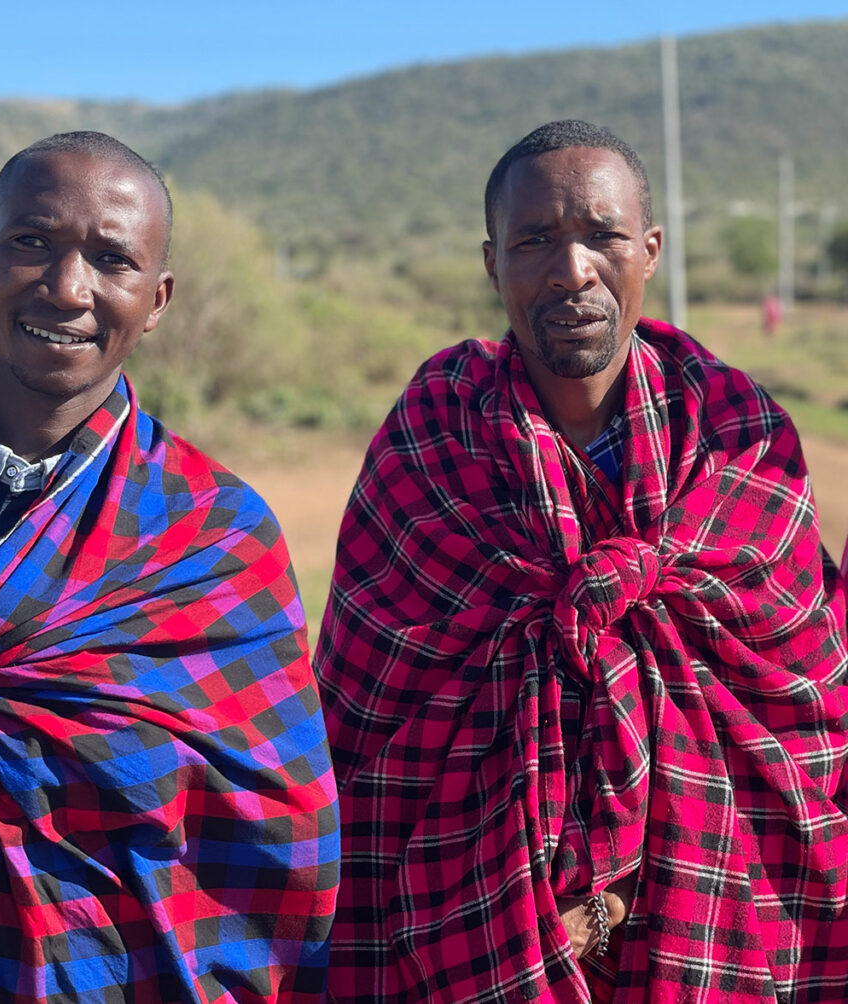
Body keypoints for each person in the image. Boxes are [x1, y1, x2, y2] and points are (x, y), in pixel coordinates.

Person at [314, 120, 848, 1002]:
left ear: (649, 250)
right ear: (493, 264)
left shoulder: (738, 438)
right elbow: (364, 720)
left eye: (601, 236)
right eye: (534, 242)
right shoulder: (431, 439)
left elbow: (808, 691)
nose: (571, 272)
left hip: (719, 894)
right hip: (471, 904)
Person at [0, 132, 339, 1003]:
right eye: (32, 243)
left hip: (96, 976)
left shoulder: (211, 533)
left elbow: (275, 827)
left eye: (112, 260)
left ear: (158, 298)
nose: (67, 288)